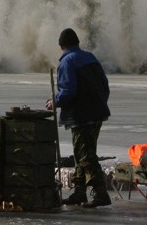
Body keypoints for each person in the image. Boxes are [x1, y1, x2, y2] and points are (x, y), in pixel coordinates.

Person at [45, 27, 112, 208]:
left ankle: (101, 194)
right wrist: (98, 103)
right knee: (81, 153)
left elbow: (68, 91)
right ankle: (79, 193)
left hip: (82, 115)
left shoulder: (67, 62)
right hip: (98, 112)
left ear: (61, 46)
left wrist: (54, 101)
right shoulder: (90, 58)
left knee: (85, 156)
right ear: (77, 43)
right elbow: (105, 85)